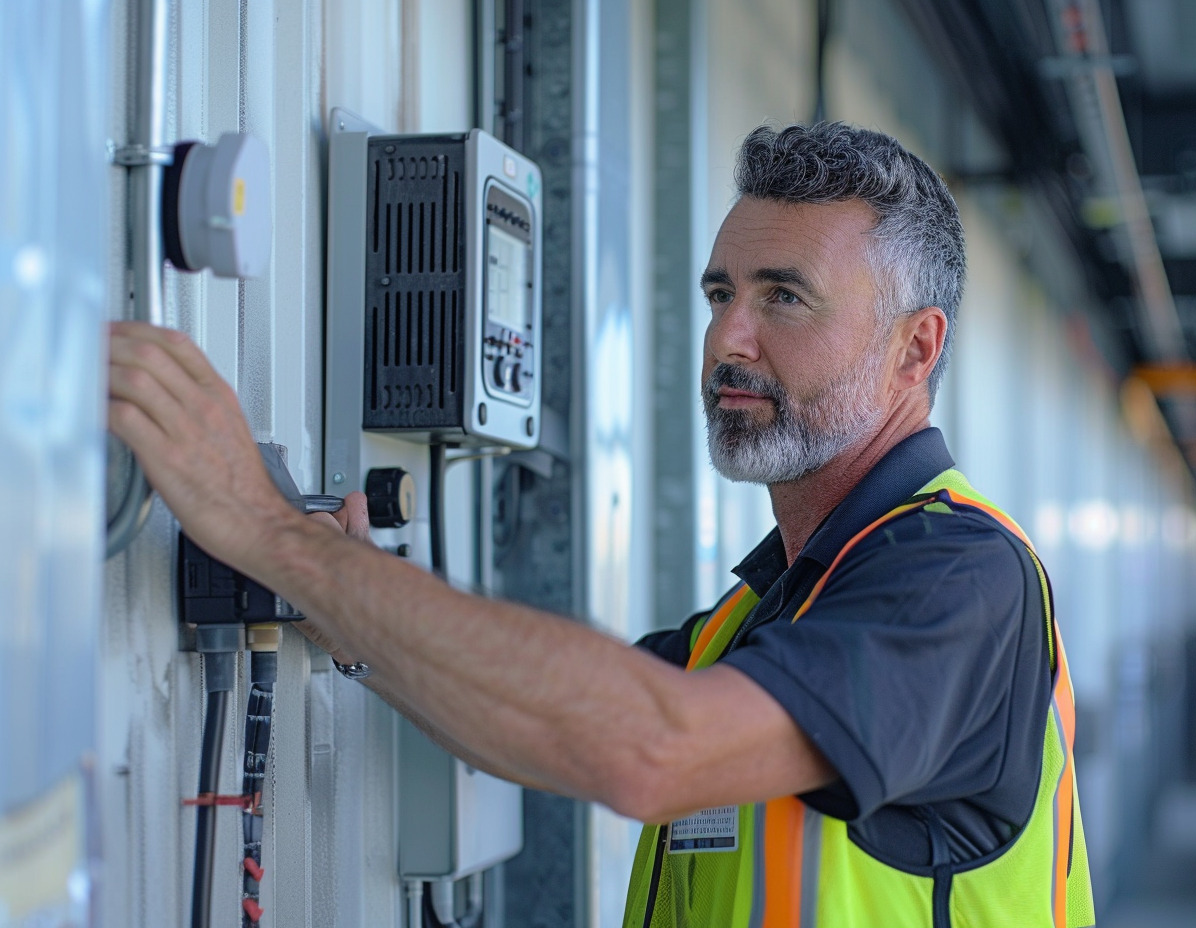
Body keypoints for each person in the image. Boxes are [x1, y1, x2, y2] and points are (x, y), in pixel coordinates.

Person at [108, 122, 1094, 927]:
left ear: (913, 350)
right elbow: (547, 723)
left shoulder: (961, 578)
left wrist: (276, 538)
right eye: (720, 294)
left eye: (782, 297)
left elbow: (652, 748)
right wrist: (349, 618)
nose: (726, 338)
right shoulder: (754, 621)